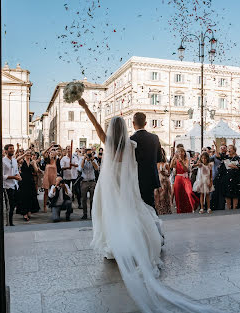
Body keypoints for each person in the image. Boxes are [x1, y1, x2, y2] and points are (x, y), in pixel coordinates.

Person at [77, 98, 213, 313]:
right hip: (130, 186)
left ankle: (116, 245)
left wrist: (85, 107)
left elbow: (96, 126)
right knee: (135, 213)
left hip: (113, 187)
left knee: (113, 215)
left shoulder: (112, 143)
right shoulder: (132, 144)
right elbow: (150, 160)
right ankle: (142, 242)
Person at [129, 112, 163, 212]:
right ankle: (153, 226)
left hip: (136, 178)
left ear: (133, 123)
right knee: (150, 205)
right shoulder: (154, 138)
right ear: (146, 123)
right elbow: (159, 158)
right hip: (151, 176)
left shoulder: (131, 139)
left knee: (138, 207)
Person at [171, 147, 199, 213]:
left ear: (184, 153)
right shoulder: (176, 160)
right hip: (178, 178)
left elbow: (186, 169)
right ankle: (180, 210)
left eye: (182, 152)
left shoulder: (186, 160)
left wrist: (181, 162)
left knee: (189, 192)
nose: (180, 153)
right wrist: (173, 158)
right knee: (178, 195)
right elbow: (171, 166)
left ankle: (192, 205)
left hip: (185, 178)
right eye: (179, 152)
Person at [16, 150, 41, 221]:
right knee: (24, 196)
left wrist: (34, 163)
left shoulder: (32, 162)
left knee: (31, 195)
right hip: (23, 180)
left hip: (30, 180)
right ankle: (24, 213)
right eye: (27, 154)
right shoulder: (22, 161)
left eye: (29, 154)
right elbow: (16, 160)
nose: (28, 155)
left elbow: (36, 170)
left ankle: (29, 210)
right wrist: (24, 154)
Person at [2, 144, 22, 226]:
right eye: (10, 149)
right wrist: (13, 177)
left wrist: (18, 176)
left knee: (13, 204)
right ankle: (9, 222)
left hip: (14, 185)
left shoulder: (14, 160)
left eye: (13, 149)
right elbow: (2, 176)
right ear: (6, 150)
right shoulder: (3, 161)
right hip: (7, 186)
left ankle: (11, 221)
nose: (12, 150)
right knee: (9, 205)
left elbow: (16, 171)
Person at [219, 145, 240, 210]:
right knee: (227, 193)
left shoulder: (237, 158)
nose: (229, 150)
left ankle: (234, 208)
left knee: (235, 193)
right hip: (227, 177)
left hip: (235, 177)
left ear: (234, 150)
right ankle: (229, 208)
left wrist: (235, 167)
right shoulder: (225, 158)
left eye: (231, 149)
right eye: (228, 149)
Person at [80, 148, 99, 220]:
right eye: (88, 154)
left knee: (92, 199)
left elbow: (97, 168)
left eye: (90, 154)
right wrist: (84, 159)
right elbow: (80, 168)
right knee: (84, 199)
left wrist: (91, 160)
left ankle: (92, 214)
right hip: (84, 181)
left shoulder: (94, 160)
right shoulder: (82, 160)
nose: (89, 155)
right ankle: (85, 214)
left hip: (92, 181)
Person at [154, 148, 172, 215]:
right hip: (157, 181)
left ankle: (165, 210)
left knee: (163, 197)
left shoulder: (166, 164)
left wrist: (165, 173)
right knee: (156, 196)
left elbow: (169, 174)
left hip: (164, 182)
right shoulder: (155, 164)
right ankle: (158, 210)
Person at [210, 143, 228, 211]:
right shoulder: (215, 156)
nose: (223, 149)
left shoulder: (226, 157)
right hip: (216, 176)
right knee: (214, 192)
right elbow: (209, 159)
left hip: (224, 176)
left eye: (224, 148)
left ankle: (221, 206)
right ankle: (213, 206)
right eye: (221, 148)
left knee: (222, 192)